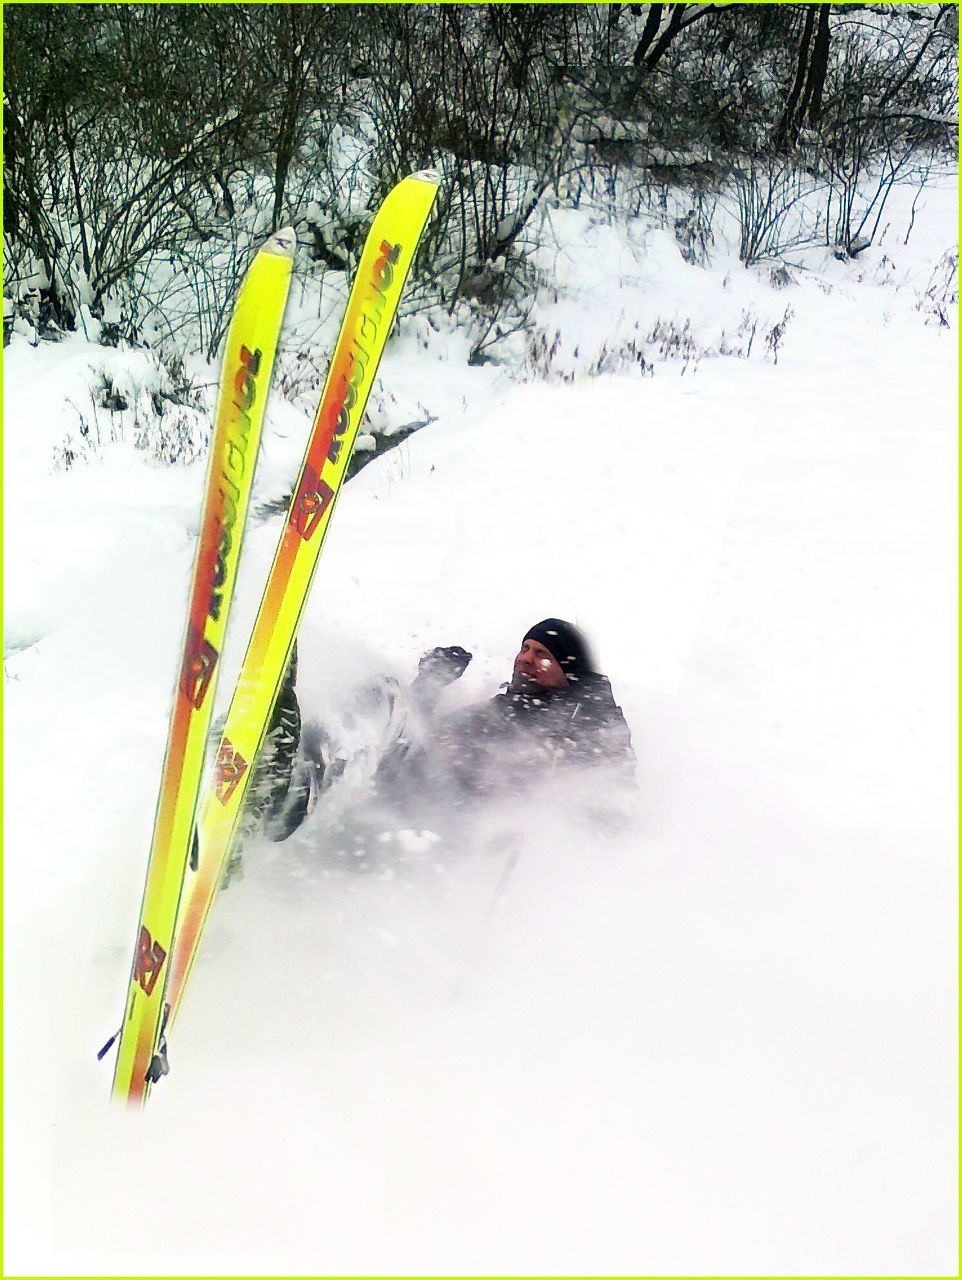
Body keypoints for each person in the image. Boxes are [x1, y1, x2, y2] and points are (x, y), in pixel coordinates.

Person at [250, 618, 634, 844]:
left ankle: (290, 794)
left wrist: (593, 700)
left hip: (446, 814)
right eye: (526, 648)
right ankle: (274, 759)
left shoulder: (579, 722)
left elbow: (614, 795)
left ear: (569, 672)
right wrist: (431, 683)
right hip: (416, 789)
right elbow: (428, 736)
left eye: (542, 655)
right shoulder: (501, 708)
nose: (526, 659)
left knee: (388, 698)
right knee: (380, 697)